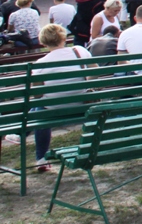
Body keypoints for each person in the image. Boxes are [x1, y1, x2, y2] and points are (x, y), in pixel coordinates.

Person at [2, 24, 97, 172]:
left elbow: (38, 94)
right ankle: (20, 135)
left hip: (53, 108)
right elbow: (95, 71)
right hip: (82, 103)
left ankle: (40, 157)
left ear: (43, 42)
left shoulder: (41, 64)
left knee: (40, 107)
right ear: (64, 38)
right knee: (40, 106)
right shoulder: (80, 51)